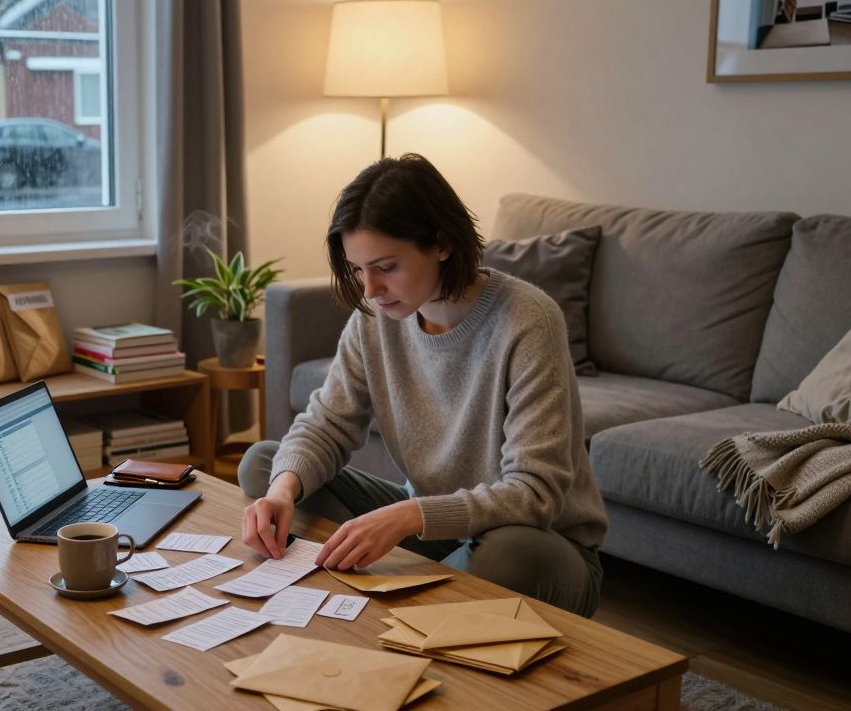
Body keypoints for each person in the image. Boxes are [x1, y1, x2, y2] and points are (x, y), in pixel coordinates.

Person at [238, 153, 608, 617]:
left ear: (442, 244)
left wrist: (409, 516)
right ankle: (428, 595)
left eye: (385, 266)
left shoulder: (528, 320)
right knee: (267, 466)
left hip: (541, 544)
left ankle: (396, 599)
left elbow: (536, 492)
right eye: (357, 269)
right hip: (437, 530)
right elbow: (326, 425)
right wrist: (281, 493)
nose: (370, 290)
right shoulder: (374, 319)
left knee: (506, 554)